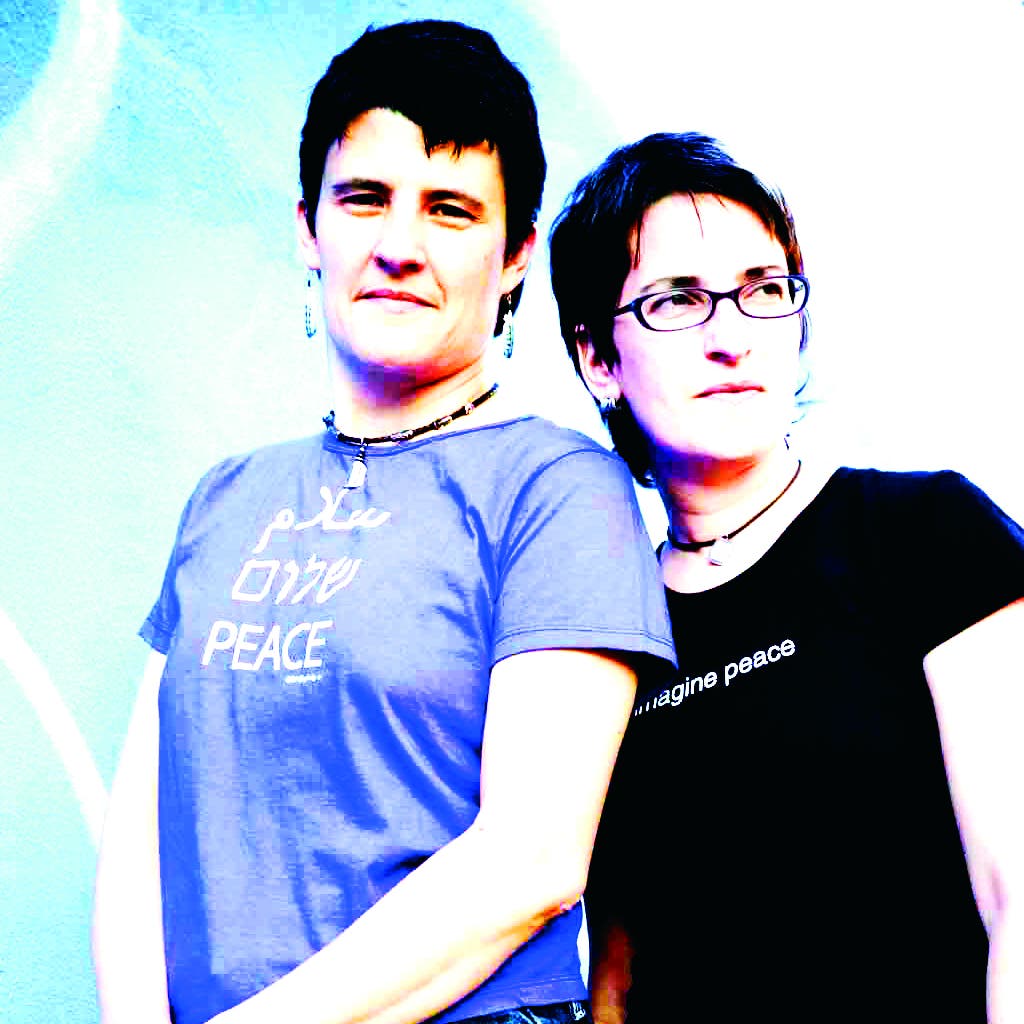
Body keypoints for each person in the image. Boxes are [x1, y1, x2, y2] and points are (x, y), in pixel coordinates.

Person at [91, 22, 675, 1024]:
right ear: (308, 228)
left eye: (450, 210)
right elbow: (142, 833)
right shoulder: (226, 497)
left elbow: (531, 862)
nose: (399, 247)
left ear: (514, 257)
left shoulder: (558, 489)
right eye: (364, 198)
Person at [549, 132, 1024, 1022]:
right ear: (597, 359)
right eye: (677, 301)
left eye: (764, 291)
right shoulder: (602, 631)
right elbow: (614, 974)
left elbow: (1019, 896)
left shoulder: (927, 533)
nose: (731, 338)